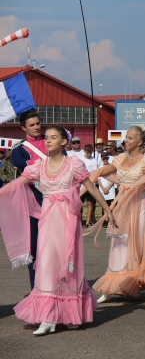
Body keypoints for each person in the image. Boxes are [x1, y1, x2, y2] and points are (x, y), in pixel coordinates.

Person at [0, 127, 116, 335]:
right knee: (45, 264)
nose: (48, 140)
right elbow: (19, 183)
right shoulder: (39, 166)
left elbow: (90, 187)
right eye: (46, 137)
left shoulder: (73, 164)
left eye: (54, 137)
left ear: (64, 142)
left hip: (68, 220)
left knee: (67, 265)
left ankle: (71, 313)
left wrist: (107, 209)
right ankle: (48, 317)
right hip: (47, 220)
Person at [91, 126, 145, 304]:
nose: (126, 141)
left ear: (140, 142)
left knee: (143, 241)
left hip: (141, 204)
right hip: (123, 204)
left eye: (130, 138)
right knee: (120, 243)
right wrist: (82, 177)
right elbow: (102, 172)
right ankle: (110, 287)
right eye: (126, 138)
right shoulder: (120, 158)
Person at [11, 108, 47, 290]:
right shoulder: (20, 149)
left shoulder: (52, 142)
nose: (36, 127)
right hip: (32, 199)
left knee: (56, 246)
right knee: (33, 246)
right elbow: (19, 163)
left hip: (55, 199)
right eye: (32, 125)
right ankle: (36, 289)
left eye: (38, 123)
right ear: (23, 128)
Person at [80, 144, 98, 227]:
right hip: (82, 184)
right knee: (80, 203)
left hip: (90, 183)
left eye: (90, 153)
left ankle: (88, 221)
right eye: (87, 152)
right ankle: (79, 220)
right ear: (85, 151)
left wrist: (91, 183)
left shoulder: (93, 160)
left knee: (90, 203)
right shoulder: (81, 159)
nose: (89, 154)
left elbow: (95, 172)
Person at [98, 152, 116, 227]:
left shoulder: (111, 167)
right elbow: (98, 179)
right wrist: (103, 188)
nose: (105, 159)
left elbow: (114, 178)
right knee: (104, 205)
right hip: (102, 187)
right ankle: (106, 220)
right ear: (102, 159)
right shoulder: (99, 167)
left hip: (110, 187)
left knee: (112, 204)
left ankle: (113, 218)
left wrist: (108, 187)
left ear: (108, 158)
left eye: (106, 158)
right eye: (103, 158)